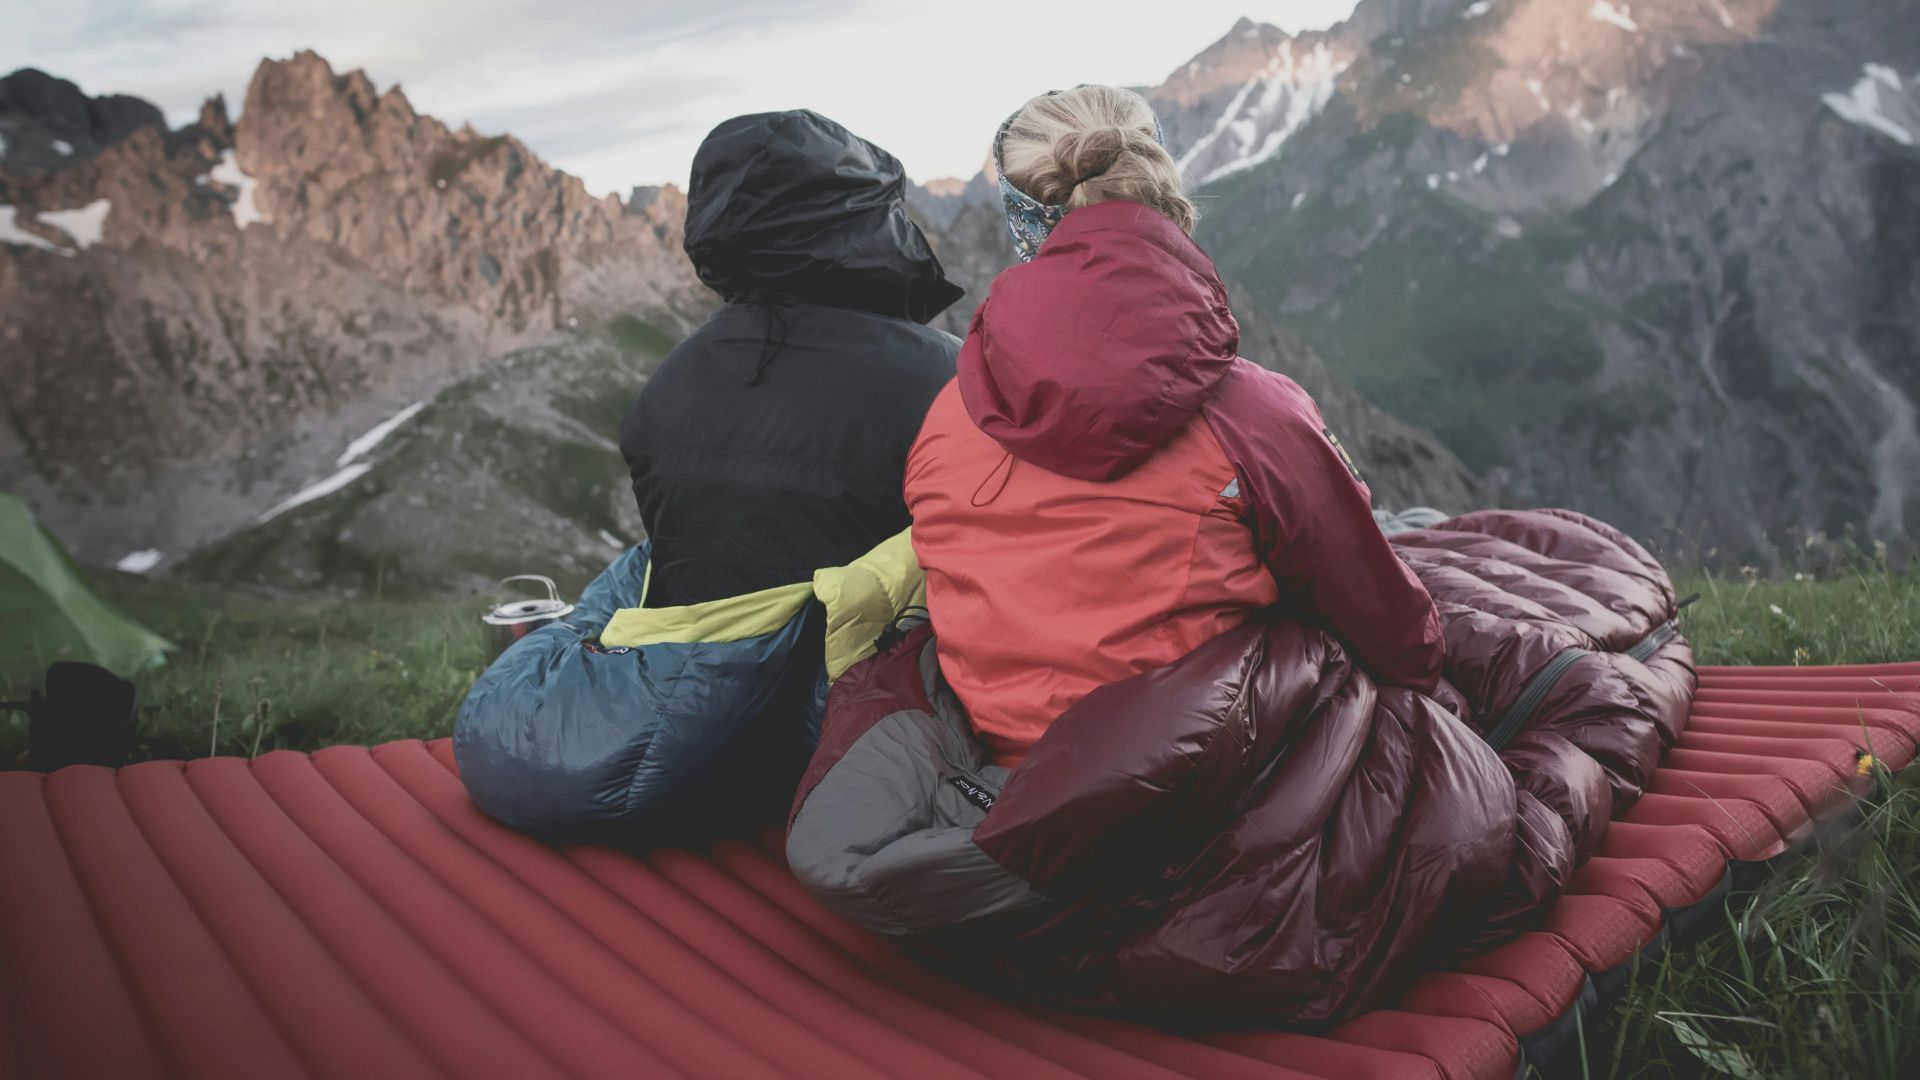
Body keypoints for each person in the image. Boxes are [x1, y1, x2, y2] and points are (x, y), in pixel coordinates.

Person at [906, 86, 1445, 767]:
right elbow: (1395, 635)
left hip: (1007, 771)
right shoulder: (1254, 414)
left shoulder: (951, 413)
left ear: (1022, 218)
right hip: (1197, 782)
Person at [622, 110, 963, 608]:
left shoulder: (664, 387)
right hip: (869, 677)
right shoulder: (946, 377)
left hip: (700, 679)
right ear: (866, 223)